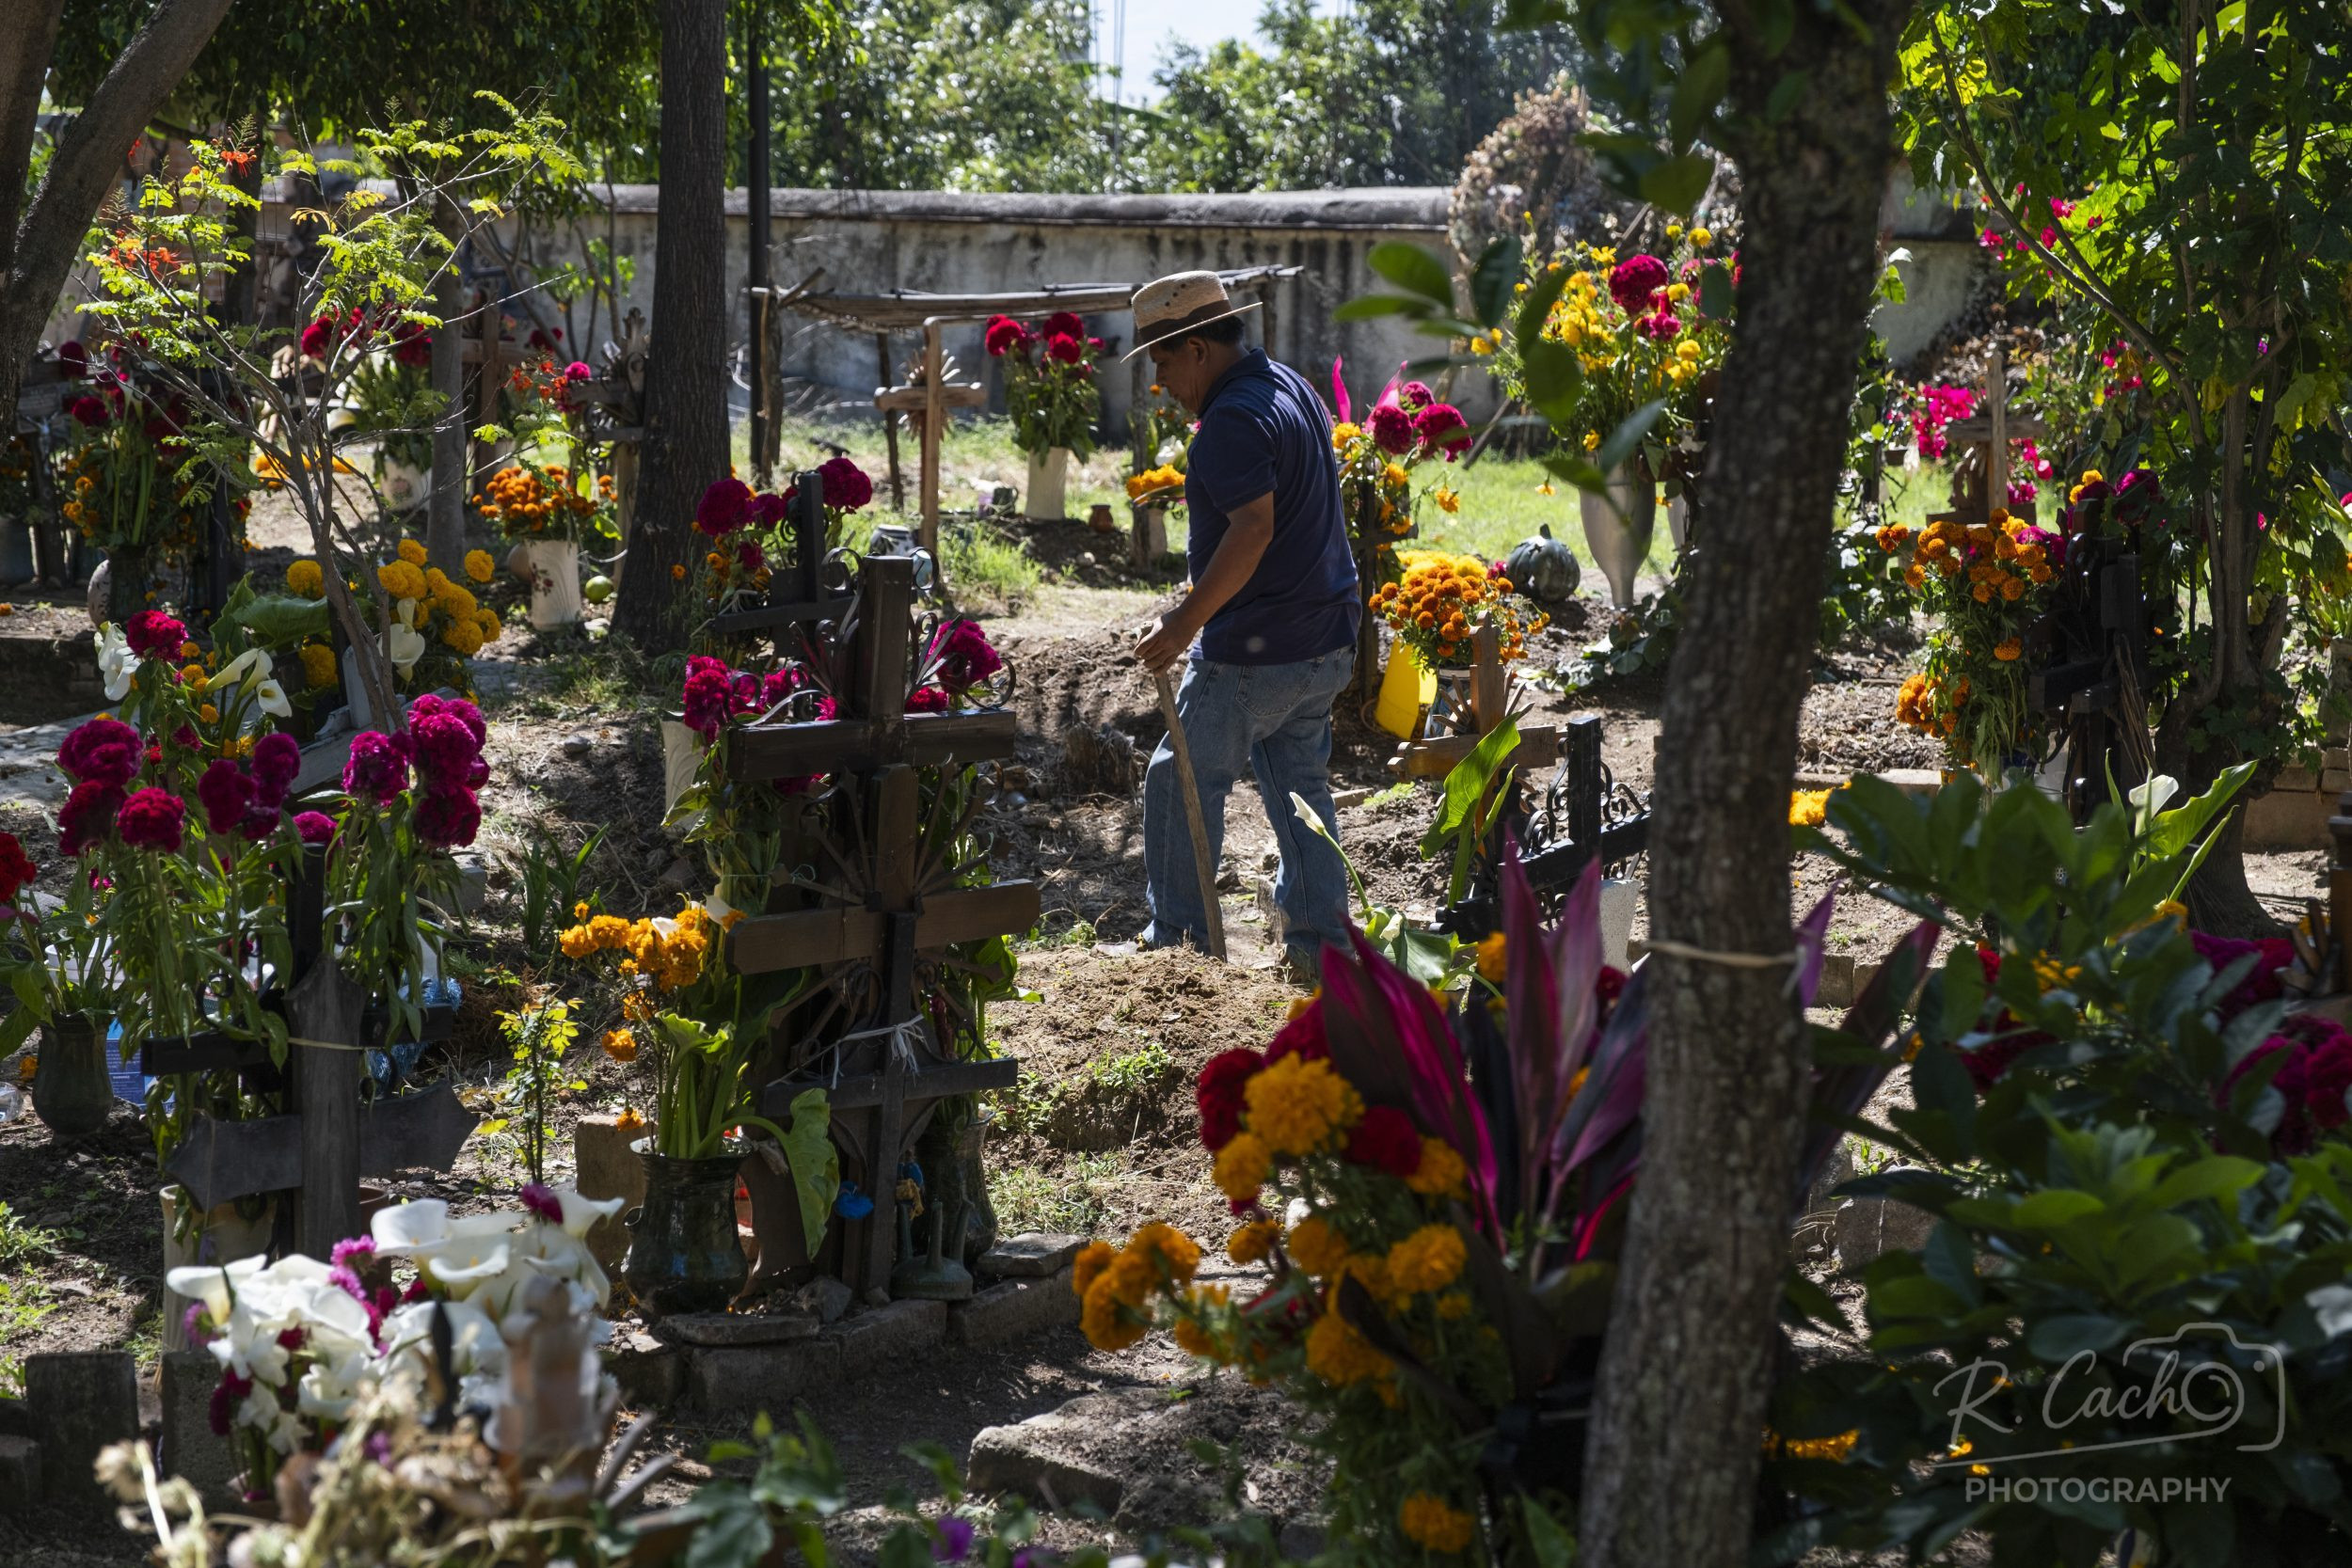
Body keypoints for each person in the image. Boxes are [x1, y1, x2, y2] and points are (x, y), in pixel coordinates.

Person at [1129, 271, 1359, 977]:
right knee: (1299, 788)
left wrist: (1184, 623)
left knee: (1179, 780)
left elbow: (1253, 528)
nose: (1161, 383)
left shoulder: (1229, 421)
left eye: (1163, 363)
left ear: (1197, 349)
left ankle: (1180, 948)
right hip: (1326, 639)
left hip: (1258, 650)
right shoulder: (1289, 385)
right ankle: (1321, 948)